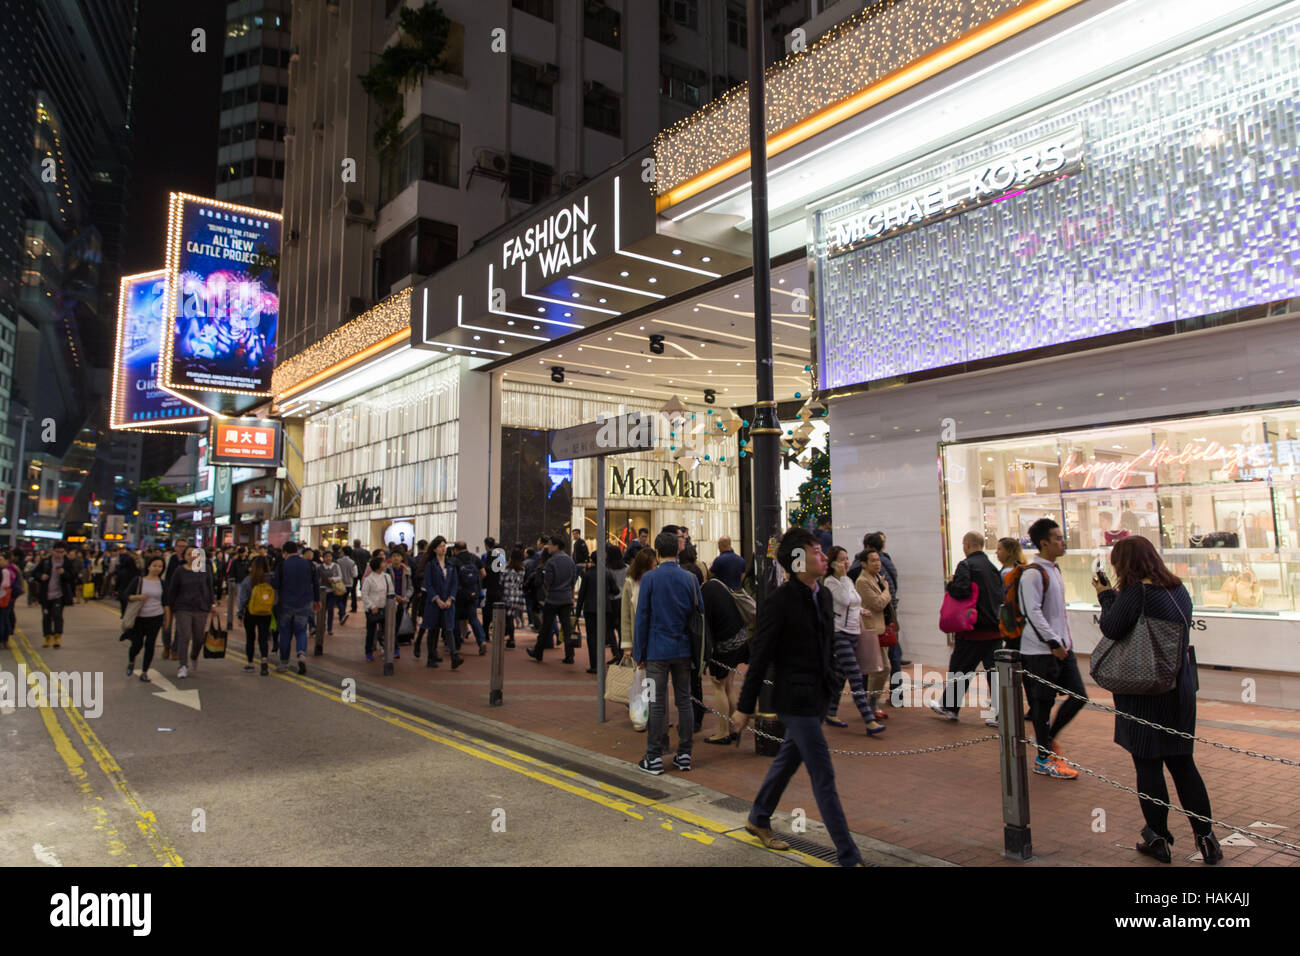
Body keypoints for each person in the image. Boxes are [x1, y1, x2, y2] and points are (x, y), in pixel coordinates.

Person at [731, 528, 866, 867]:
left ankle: (758, 817)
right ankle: (848, 855)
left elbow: (828, 644)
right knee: (824, 775)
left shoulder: (822, 596)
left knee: (787, 761)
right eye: (817, 552)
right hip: (794, 702)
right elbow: (760, 656)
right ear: (797, 560)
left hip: (817, 696)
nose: (824, 557)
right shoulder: (778, 602)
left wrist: (834, 681)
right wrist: (744, 708)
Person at [1096, 536, 1221, 864]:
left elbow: (1111, 628)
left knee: (1148, 763)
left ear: (1124, 564)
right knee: (1182, 763)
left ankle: (1159, 839)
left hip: (1142, 690)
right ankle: (1207, 838)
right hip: (1178, 688)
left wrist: (1105, 595)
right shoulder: (1178, 588)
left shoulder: (1136, 593)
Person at [1019, 518, 1087, 779]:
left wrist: (1064, 644)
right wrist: (1053, 643)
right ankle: (1044, 758)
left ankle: (1046, 741)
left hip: (1061, 649)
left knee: (1078, 695)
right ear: (1044, 543)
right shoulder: (1033, 573)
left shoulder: (1054, 570)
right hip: (1040, 652)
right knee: (1042, 705)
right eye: (1057, 538)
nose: (1063, 541)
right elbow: (1032, 612)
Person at [632, 531, 700, 774]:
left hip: (656, 650)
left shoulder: (650, 579)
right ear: (678, 550)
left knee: (656, 702)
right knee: (684, 700)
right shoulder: (690, 579)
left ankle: (654, 757)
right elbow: (699, 614)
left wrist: (638, 651)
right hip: (683, 649)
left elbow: (642, 617)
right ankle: (684, 754)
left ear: (658, 552)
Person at [930, 532, 1005, 724]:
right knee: (994, 674)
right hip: (994, 629)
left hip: (972, 629)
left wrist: (950, 584)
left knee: (960, 668)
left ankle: (950, 708)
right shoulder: (993, 568)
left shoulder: (966, 565)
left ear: (968, 544)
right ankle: (1001, 715)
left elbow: (962, 590)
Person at [822, 546, 886, 735]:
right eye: (842, 560)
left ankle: (831, 712)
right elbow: (843, 600)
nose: (846, 563)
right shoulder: (831, 582)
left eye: (847, 558)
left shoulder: (848, 580)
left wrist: (860, 611)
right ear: (833, 563)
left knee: (841, 676)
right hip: (839, 633)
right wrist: (841, 577)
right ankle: (869, 720)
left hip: (853, 632)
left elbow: (854, 601)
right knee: (856, 677)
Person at [699, 570, 754, 744]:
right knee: (729, 685)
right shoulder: (718, 584)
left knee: (718, 685)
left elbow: (706, 627)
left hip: (724, 645)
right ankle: (734, 727)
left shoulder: (704, 594)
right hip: (739, 638)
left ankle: (723, 731)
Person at [163, 547, 218, 679]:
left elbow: (209, 588)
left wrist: (212, 604)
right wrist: (169, 608)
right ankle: (183, 665)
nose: (193, 556)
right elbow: (173, 590)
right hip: (183, 608)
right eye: (189, 554)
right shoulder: (179, 571)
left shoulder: (206, 570)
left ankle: (194, 656)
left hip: (201, 608)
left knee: (199, 638)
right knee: (184, 636)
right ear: (185, 556)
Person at [526, 535, 577, 663]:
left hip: (553, 598)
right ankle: (569, 655)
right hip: (566, 599)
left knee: (545, 627)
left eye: (549, 544)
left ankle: (538, 652)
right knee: (567, 629)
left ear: (556, 546)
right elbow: (573, 580)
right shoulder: (570, 561)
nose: (547, 547)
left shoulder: (551, 562)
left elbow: (548, 581)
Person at [853, 550, 892, 716]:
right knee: (882, 668)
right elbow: (878, 604)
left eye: (878, 560)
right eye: (873, 560)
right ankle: (871, 704)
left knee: (880, 669)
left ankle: (872, 704)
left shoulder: (877, 578)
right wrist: (887, 592)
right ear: (864, 563)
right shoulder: (862, 581)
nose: (877, 563)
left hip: (882, 628)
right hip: (871, 630)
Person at [272, 541, 318, 674]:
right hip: (304, 603)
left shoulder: (282, 565)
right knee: (301, 631)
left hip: (285, 603)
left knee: (285, 633)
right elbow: (315, 583)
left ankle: (284, 663)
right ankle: (301, 654)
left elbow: (275, 585)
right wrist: (317, 600)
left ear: (285, 552)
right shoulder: (309, 564)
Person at [124, 556, 167, 681]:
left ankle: (144, 671)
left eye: (160, 566)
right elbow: (126, 595)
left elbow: (165, 602)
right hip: (139, 618)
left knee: (150, 644)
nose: (157, 568)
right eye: (155, 565)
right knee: (137, 644)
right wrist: (138, 597)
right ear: (148, 566)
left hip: (156, 617)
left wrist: (167, 620)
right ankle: (131, 661)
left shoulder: (162, 583)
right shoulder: (138, 581)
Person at [575, 553, 618, 674]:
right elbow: (616, 590)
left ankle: (594, 664)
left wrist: (577, 613)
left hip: (590, 609)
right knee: (603, 636)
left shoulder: (587, 575)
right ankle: (603, 660)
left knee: (592, 637)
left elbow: (581, 595)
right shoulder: (607, 573)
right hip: (605, 609)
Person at [420, 537, 459, 668]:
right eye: (441, 546)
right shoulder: (431, 565)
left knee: (448, 628)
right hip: (434, 603)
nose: (444, 548)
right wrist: (437, 599)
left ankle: (454, 656)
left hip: (447, 602)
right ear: (435, 549)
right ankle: (431, 657)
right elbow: (429, 584)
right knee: (433, 629)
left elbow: (454, 583)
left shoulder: (450, 565)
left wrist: (450, 599)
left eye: (445, 545)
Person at [237, 555, 275, 675]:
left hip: (251, 612)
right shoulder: (271, 579)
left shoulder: (248, 580)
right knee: (263, 638)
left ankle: (250, 663)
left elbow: (242, 599)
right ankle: (264, 660)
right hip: (266, 612)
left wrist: (240, 613)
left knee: (250, 638)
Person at [35, 543, 78, 648]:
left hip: (60, 594)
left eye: (61, 552)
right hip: (46, 594)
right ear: (52, 551)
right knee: (46, 617)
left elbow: (72, 578)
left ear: (65, 552)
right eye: (57, 552)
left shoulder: (67, 563)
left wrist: (64, 573)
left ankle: (57, 637)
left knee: (57, 615)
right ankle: (47, 637)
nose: (59, 554)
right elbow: (35, 573)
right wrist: (41, 576)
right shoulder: (45, 561)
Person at [451, 541, 487, 655]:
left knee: (455, 619)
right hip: (473, 594)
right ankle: (481, 641)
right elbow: (483, 573)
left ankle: (456, 645)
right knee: (473, 618)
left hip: (459, 594)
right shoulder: (475, 558)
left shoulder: (454, 560)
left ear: (455, 550)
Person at [361, 554, 395, 661]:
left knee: (386, 631)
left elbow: (391, 591)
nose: (385, 564)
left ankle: (387, 650)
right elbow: (364, 594)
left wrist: (393, 604)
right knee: (371, 632)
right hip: (372, 609)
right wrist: (371, 606)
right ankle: (368, 651)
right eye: (383, 562)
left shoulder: (386, 577)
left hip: (384, 608)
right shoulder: (369, 579)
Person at [500, 548, 526, 649]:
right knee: (511, 617)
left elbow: (501, 581)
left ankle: (510, 638)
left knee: (508, 618)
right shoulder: (522, 569)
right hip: (517, 596)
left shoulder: (506, 568)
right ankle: (510, 638)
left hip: (507, 595)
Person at [319, 550, 346, 636]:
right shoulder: (320, 567)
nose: (328, 558)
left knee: (330, 609)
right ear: (323, 558)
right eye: (326, 557)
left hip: (333, 591)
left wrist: (333, 579)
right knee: (322, 611)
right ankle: (321, 626)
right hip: (322, 592)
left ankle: (329, 628)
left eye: (329, 556)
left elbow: (340, 576)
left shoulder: (336, 566)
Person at [0, 550, 22, 650]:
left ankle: (3, 640)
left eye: (1, 559)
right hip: (8, 599)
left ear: (7, 560)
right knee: (6, 618)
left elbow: (6, 585)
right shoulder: (13, 569)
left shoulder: (6, 571)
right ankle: (5, 640)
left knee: (3, 619)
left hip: (4, 598)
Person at [336, 548, 357, 622]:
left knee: (338, 600)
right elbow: (355, 574)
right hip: (349, 583)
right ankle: (342, 615)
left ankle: (342, 613)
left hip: (339, 583)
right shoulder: (352, 562)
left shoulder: (338, 561)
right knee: (344, 600)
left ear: (343, 552)